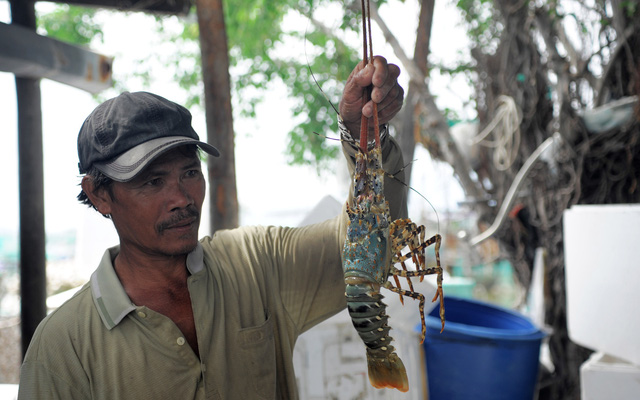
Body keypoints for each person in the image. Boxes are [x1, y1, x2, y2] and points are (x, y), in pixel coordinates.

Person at [18, 56, 407, 399]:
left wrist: (364, 136)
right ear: (100, 195)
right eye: (152, 182)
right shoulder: (62, 346)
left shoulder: (255, 264)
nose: (182, 197)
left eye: (190, 172)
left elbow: (367, 248)